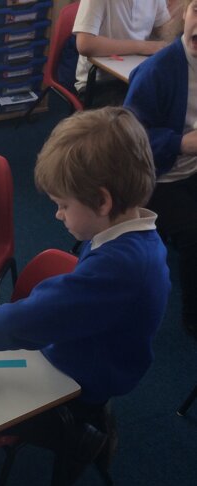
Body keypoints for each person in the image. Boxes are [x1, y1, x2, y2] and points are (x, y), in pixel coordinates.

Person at [0, 107, 171, 473]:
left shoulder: (120, 267)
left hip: (82, 377)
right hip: (90, 346)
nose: (57, 215)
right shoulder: (127, 231)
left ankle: (81, 432)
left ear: (102, 201)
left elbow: (28, 322)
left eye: (63, 205)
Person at [124, 0, 197, 337]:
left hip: (191, 171)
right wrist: (181, 144)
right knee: (194, 233)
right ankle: (192, 315)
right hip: (159, 178)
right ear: (186, 13)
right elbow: (129, 140)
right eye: (196, 10)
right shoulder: (159, 71)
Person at [73, 0, 181, 106]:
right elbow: (85, 44)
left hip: (136, 78)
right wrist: (143, 47)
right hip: (99, 84)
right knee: (146, 110)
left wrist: (182, 18)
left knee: (173, 100)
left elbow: (163, 31)